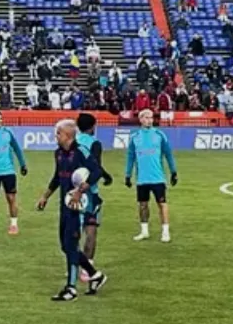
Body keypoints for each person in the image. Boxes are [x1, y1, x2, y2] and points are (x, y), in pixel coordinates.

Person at [35, 119, 107, 301]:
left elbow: (97, 171)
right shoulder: (58, 153)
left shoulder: (81, 152)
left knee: (71, 244)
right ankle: (95, 274)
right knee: (65, 246)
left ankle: (71, 289)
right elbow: (57, 177)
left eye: (58, 133)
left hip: (79, 206)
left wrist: (82, 189)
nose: (55, 136)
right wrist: (45, 196)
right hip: (65, 205)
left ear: (67, 135)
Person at [125, 109, 178, 242]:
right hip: (142, 178)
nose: (149, 120)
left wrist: (173, 172)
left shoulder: (159, 135)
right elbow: (131, 156)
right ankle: (144, 231)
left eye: (151, 117)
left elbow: (168, 154)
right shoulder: (135, 136)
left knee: (162, 204)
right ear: (141, 119)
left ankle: (165, 232)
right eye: (146, 117)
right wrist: (127, 174)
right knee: (143, 204)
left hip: (157, 177)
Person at [74, 113, 114, 273]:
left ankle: (73, 265)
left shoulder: (72, 142)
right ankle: (87, 269)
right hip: (90, 193)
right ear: (92, 127)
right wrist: (106, 176)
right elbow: (96, 167)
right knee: (91, 230)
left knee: (74, 230)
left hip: (73, 192)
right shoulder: (94, 143)